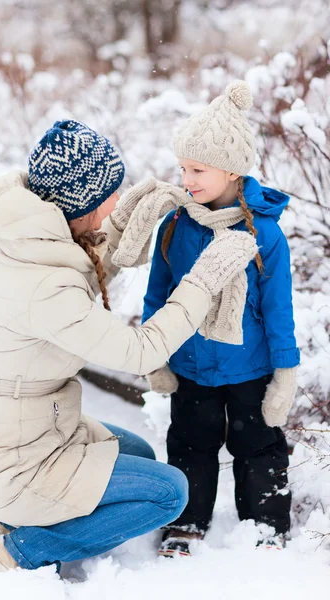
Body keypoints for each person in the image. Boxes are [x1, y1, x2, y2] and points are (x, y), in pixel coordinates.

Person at [0, 119, 257, 572]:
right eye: (110, 194)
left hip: (17, 432)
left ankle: (11, 512)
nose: (115, 198)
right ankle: (24, 548)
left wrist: (125, 221)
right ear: (82, 204)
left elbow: (77, 266)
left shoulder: (30, 236)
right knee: (167, 492)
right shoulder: (45, 289)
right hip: (13, 462)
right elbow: (140, 350)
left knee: (138, 456)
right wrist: (202, 283)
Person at [138, 81, 300, 556]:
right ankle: (187, 522)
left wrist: (285, 373)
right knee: (190, 445)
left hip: (250, 367)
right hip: (191, 366)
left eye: (198, 169)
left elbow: (278, 312)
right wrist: (156, 355)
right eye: (183, 167)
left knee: (259, 448)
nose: (186, 179)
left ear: (231, 169)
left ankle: (265, 525)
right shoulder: (175, 227)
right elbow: (158, 295)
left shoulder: (264, 235)